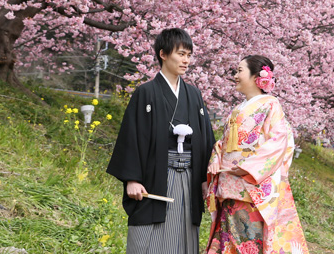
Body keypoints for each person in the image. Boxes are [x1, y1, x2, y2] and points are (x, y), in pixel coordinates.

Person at [107, 28, 215, 253]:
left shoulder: (194, 95)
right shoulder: (145, 93)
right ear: (163, 54)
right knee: (147, 235)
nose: (186, 60)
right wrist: (132, 179)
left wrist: (206, 178)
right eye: (181, 54)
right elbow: (132, 136)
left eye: (188, 55)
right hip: (155, 176)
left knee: (183, 234)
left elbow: (206, 138)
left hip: (188, 177)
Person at [205, 55, 309, 254]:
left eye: (239, 71)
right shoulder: (237, 109)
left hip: (250, 185)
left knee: (248, 243)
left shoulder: (270, 105)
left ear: (256, 77)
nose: (235, 76)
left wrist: (246, 168)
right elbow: (223, 143)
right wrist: (215, 160)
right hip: (229, 183)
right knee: (228, 241)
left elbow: (279, 142)